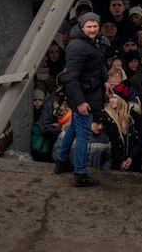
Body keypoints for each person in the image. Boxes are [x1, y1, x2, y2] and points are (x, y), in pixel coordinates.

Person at [53, 12, 106, 188]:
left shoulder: (87, 42)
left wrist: (105, 82)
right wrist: (81, 102)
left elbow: (96, 67)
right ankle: (80, 174)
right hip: (84, 97)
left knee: (74, 129)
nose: (92, 29)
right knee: (84, 135)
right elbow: (72, 78)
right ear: (82, 27)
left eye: (95, 26)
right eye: (89, 26)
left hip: (87, 93)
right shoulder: (77, 47)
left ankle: (62, 161)